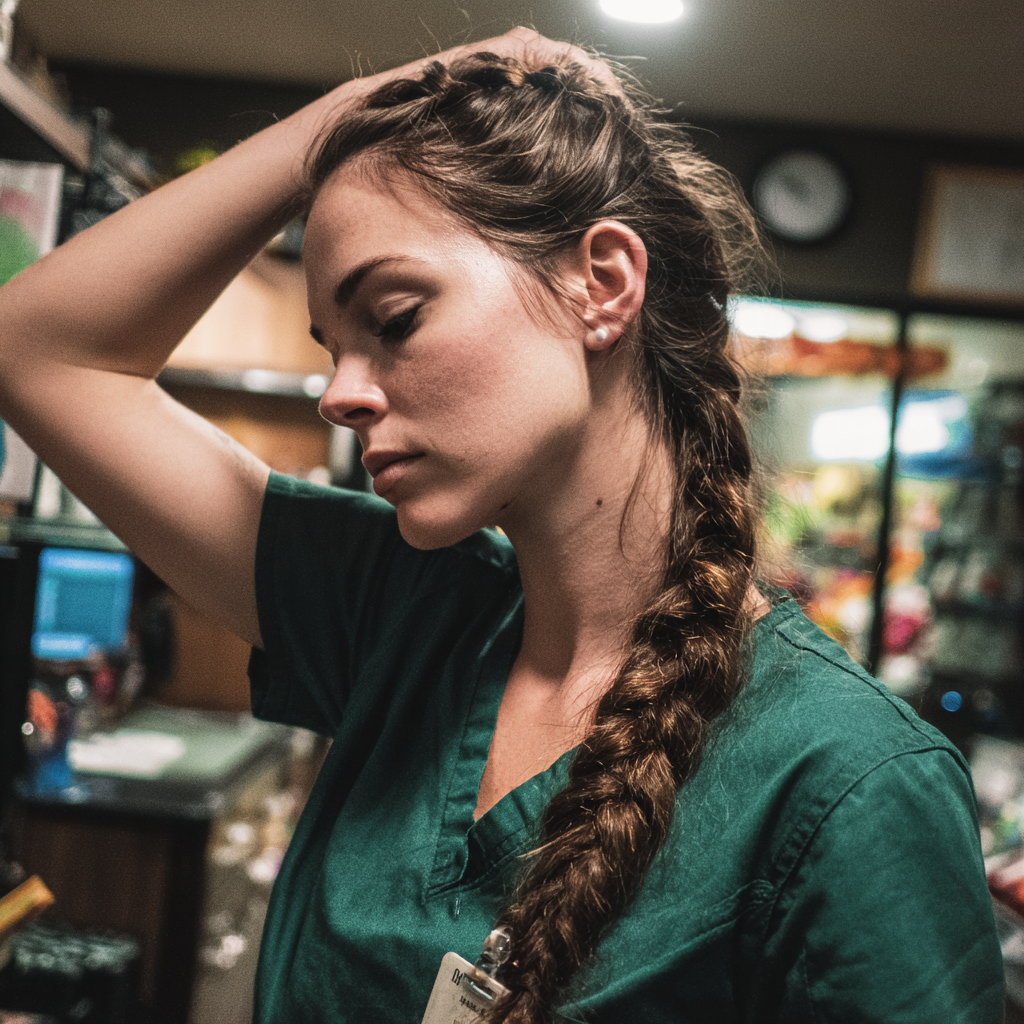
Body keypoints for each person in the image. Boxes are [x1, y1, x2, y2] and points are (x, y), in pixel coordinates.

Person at [0, 28, 1004, 1024]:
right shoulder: (403, 612)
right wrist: (355, 118)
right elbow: (38, 349)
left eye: (391, 320)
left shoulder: (848, 782)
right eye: (330, 348)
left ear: (601, 284)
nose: (339, 396)